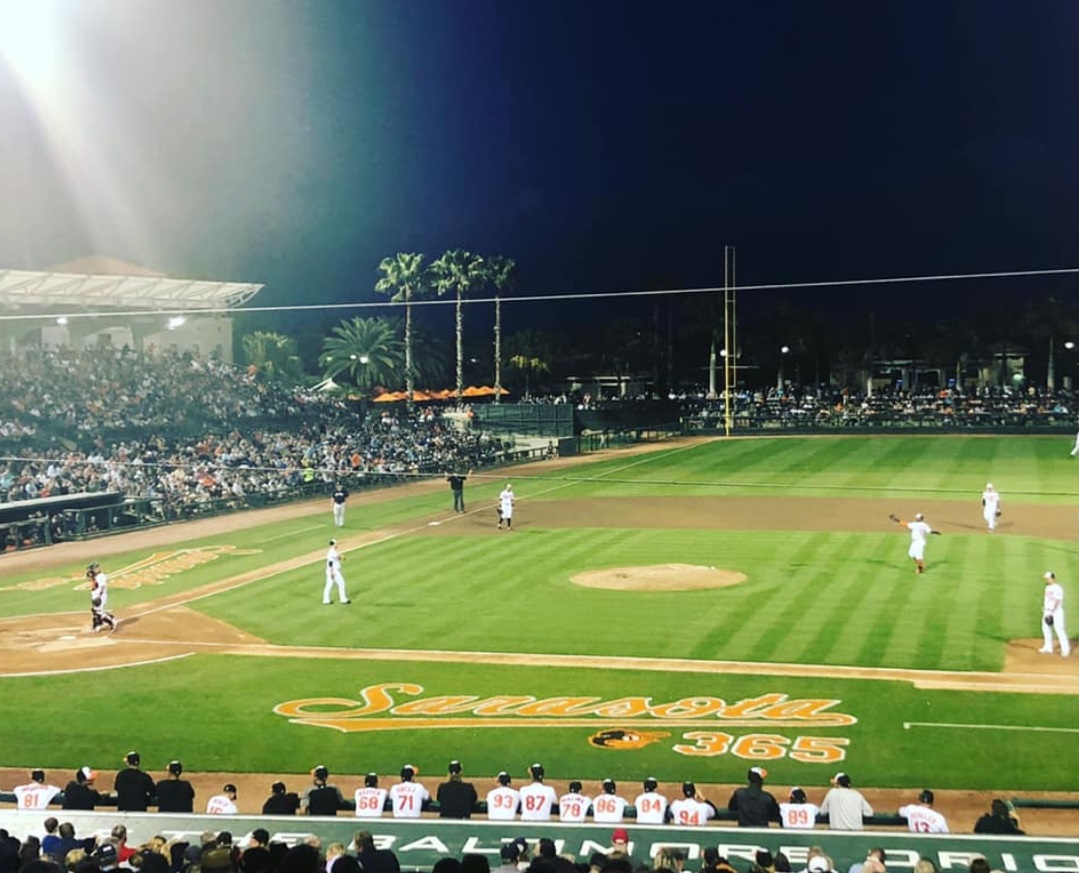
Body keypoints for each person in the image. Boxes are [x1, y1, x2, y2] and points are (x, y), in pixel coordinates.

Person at [1040, 571, 1071, 657]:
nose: (1046, 580)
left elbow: (1057, 601)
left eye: (1048, 578)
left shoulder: (1057, 588)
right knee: (1046, 629)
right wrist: (1046, 610)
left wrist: (1052, 611)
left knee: (1059, 629)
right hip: (1047, 611)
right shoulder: (1047, 587)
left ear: (1053, 578)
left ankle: (1065, 649)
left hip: (1056, 612)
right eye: (1046, 579)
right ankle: (1048, 647)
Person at [86, 561, 118, 632]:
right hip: (96, 596)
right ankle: (98, 625)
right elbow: (93, 582)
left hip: (100, 596)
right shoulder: (96, 576)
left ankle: (112, 621)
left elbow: (102, 586)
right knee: (94, 610)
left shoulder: (101, 576)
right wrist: (92, 577)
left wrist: (99, 596)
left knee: (99, 612)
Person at [323, 540, 350, 605]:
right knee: (341, 583)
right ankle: (343, 599)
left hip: (329, 571)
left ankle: (326, 600)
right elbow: (331, 563)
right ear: (334, 544)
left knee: (329, 585)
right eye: (336, 544)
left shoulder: (332, 551)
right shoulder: (332, 552)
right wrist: (332, 572)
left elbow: (337, 557)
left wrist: (341, 556)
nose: (337, 545)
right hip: (334, 571)